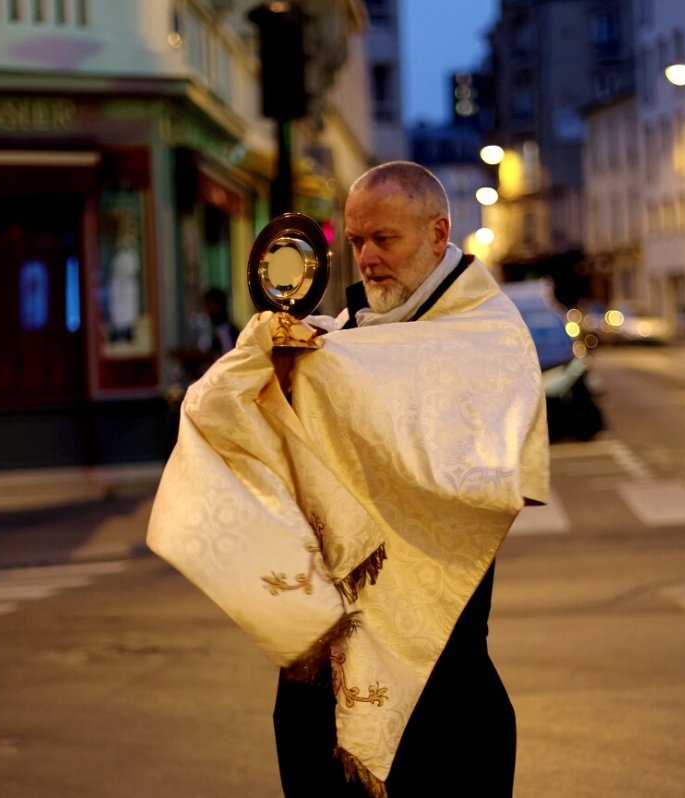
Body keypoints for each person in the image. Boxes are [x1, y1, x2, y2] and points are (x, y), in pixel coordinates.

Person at [147, 161, 549, 797]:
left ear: (439, 232)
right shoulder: (341, 338)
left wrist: (328, 383)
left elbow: (483, 481)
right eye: (356, 241)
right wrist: (268, 365)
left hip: (444, 700)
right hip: (317, 692)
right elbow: (213, 409)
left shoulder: (488, 338)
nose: (365, 258)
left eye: (383, 240)